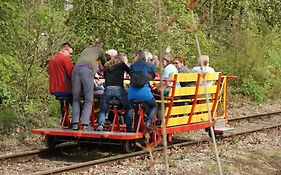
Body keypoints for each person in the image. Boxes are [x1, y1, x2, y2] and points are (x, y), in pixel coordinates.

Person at [72, 41, 106, 131]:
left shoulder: (86, 50)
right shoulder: (100, 51)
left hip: (75, 69)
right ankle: (85, 124)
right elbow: (106, 64)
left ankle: (75, 123)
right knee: (89, 99)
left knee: (76, 98)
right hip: (86, 71)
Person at [97, 54, 132, 131]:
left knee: (103, 109)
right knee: (128, 108)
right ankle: (129, 127)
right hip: (119, 89)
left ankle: (100, 125)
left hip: (107, 89)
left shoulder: (107, 65)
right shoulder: (121, 65)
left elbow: (105, 77)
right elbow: (130, 73)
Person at [128, 50, 157, 131]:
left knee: (136, 109)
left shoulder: (132, 66)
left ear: (137, 56)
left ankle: (135, 128)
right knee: (154, 106)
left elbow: (131, 76)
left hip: (132, 93)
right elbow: (153, 76)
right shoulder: (149, 65)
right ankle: (149, 122)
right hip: (144, 92)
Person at [48, 42, 74, 122]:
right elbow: (71, 74)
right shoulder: (65, 59)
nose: (70, 55)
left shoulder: (52, 59)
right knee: (78, 102)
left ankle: (65, 120)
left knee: (63, 102)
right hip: (65, 88)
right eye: (70, 53)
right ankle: (77, 122)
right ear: (65, 50)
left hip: (54, 89)